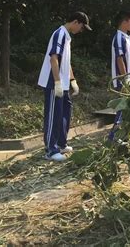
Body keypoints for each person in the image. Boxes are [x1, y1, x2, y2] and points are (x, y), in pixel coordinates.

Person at [37, 12, 92, 161]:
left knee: (65, 111)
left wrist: (72, 80)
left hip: (63, 82)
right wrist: (57, 82)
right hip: (53, 81)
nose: (81, 31)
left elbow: (66, 61)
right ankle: (50, 150)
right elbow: (54, 59)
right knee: (53, 114)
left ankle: (61, 143)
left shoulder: (67, 37)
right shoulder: (59, 34)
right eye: (81, 27)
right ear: (75, 22)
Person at [109, 10, 130, 139]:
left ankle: (121, 137)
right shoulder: (119, 37)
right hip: (122, 80)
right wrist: (125, 79)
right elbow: (120, 59)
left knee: (125, 109)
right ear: (124, 22)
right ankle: (113, 138)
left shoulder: (127, 38)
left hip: (127, 79)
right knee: (122, 108)